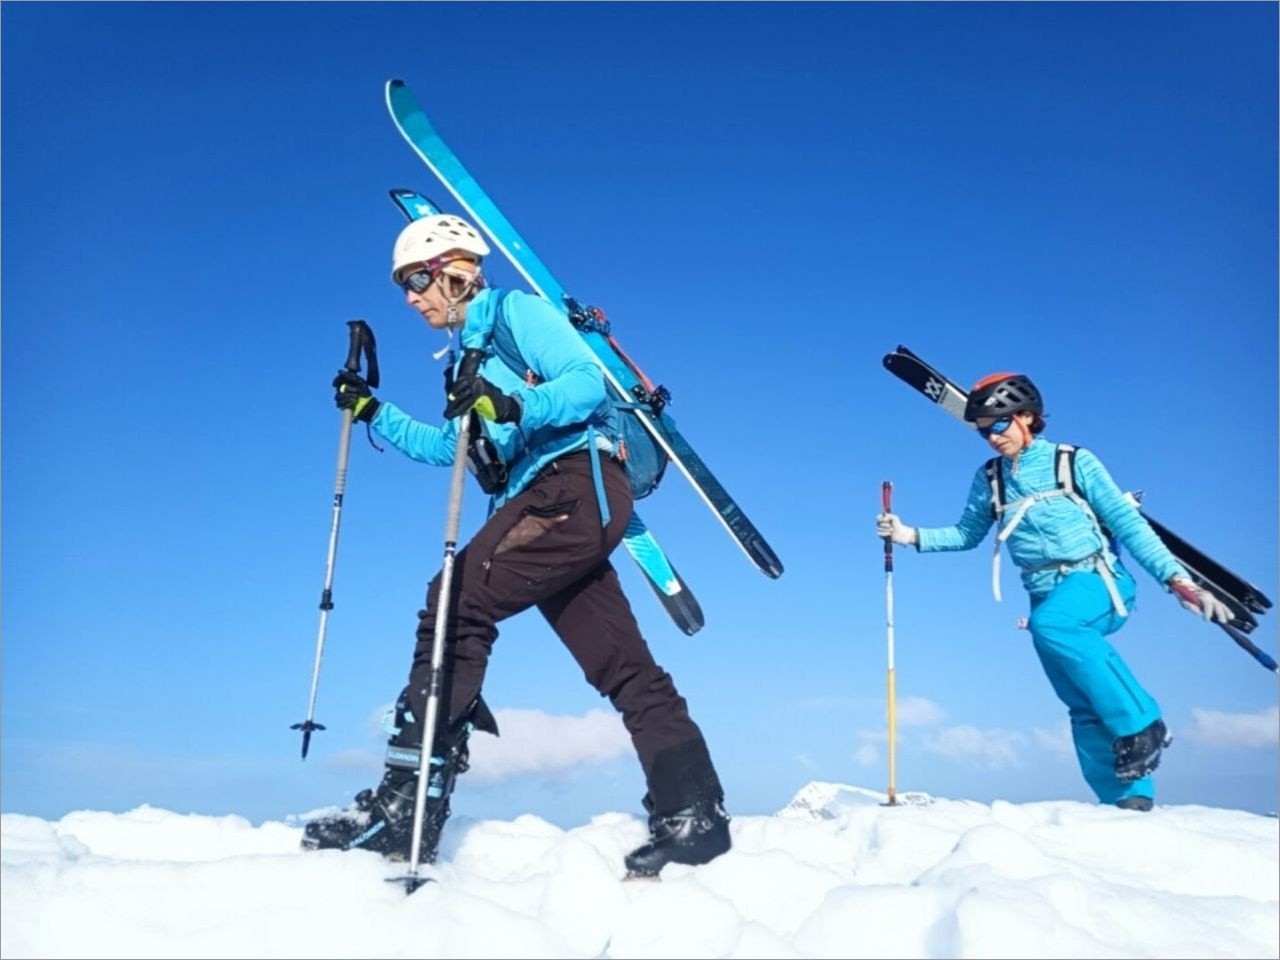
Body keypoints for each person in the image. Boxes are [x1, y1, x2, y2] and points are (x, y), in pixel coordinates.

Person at [302, 213, 730, 876]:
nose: (411, 297)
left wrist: (512, 408)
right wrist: (372, 411)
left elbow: (585, 380)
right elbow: (450, 447)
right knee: (622, 665)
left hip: (571, 486)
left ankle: (405, 808)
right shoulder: (466, 362)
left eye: (417, 280)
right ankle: (694, 811)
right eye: (403, 286)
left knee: (452, 604)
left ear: (455, 270)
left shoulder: (514, 314)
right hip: (555, 508)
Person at [875, 372, 1231, 811]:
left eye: (1000, 424)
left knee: (1054, 626)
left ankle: (1144, 723)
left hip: (1097, 581)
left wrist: (1176, 580)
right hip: (1042, 591)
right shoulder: (991, 478)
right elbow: (967, 534)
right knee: (1078, 700)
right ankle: (1128, 799)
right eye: (984, 430)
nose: (991, 437)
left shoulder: (1072, 461)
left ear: (1027, 416)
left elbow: (1127, 523)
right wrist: (909, 534)